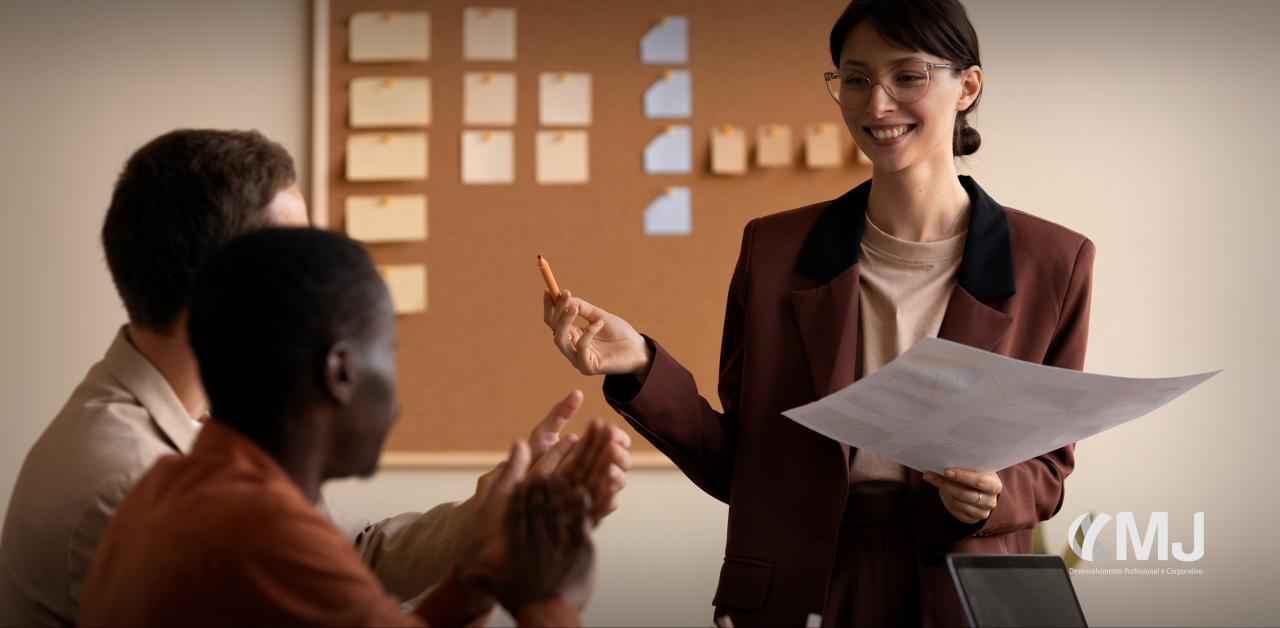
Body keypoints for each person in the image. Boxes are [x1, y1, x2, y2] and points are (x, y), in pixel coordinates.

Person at [541, 0, 1094, 626]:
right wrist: (640, 365)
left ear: (967, 86)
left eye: (908, 76)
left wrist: (995, 496)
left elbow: (1050, 469)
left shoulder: (1055, 260)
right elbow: (742, 464)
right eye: (855, 79)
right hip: (809, 585)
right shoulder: (773, 250)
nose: (877, 105)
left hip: (965, 591)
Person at [0, 129, 630, 627]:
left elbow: (341, 560)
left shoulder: (216, 432)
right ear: (232, 286)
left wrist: (485, 526)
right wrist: (547, 598)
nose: (324, 269)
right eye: (298, 254)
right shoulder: (127, 483)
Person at [78, 227, 599, 626]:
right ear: (341, 371)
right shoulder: (268, 539)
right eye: (390, 353)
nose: (396, 396)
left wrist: (480, 572)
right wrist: (547, 596)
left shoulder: (167, 489)